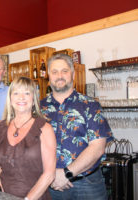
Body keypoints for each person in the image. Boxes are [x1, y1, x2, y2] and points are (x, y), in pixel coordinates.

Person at [40, 53, 114, 200]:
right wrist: (52, 175)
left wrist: (66, 173)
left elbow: (97, 148)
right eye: (54, 72)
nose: (59, 75)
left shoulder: (90, 105)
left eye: (64, 71)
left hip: (87, 184)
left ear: (73, 75)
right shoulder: (39, 108)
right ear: (49, 76)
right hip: (49, 183)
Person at [0, 76, 56, 200]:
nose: (21, 97)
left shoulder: (45, 128)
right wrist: (0, 193)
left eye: (27, 93)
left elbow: (49, 174)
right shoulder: (1, 127)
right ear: (10, 98)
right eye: (16, 93)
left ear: (33, 98)